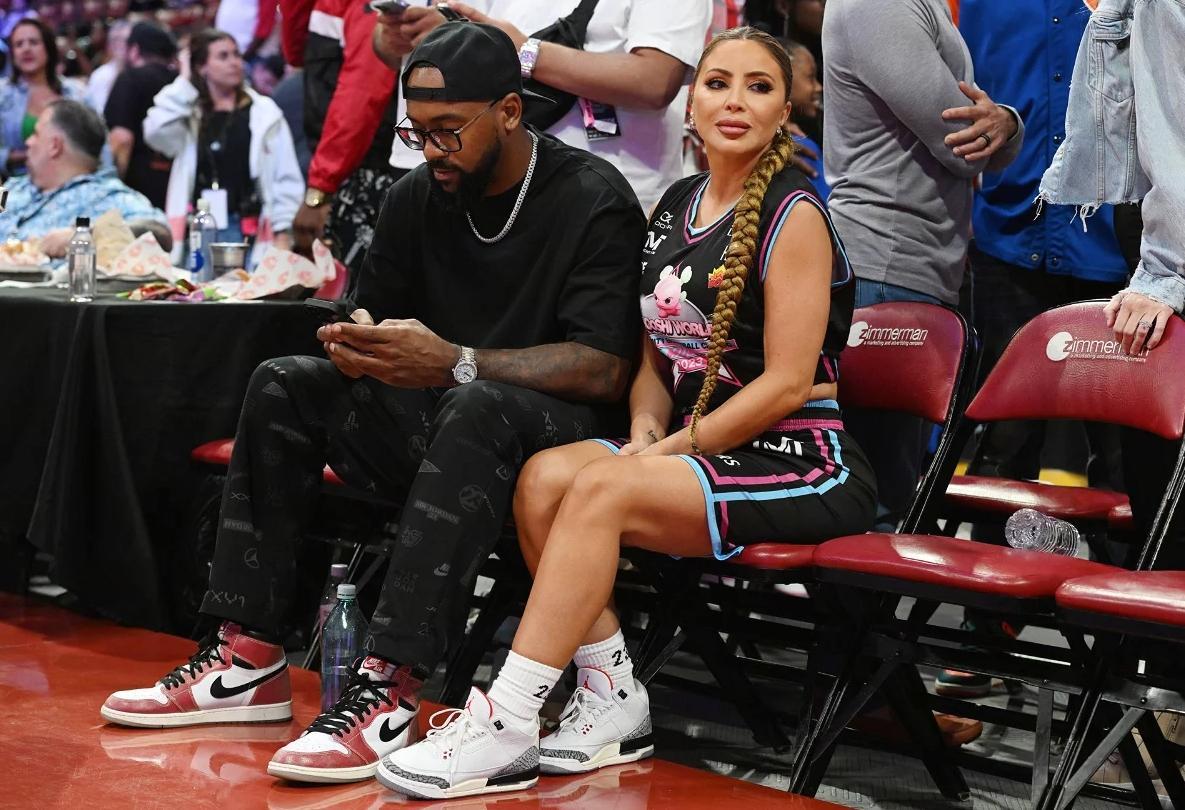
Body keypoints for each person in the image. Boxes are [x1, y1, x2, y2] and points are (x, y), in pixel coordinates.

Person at [100, 21, 645, 788]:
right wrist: (356, 341)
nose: (430, 151)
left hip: (555, 442)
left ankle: (389, 687)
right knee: (285, 382)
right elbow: (376, 317)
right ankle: (248, 657)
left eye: (448, 130)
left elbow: (605, 368)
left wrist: (456, 362)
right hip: (446, 424)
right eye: (415, 132)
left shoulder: (593, 198)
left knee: (476, 405)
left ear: (509, 112)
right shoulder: (415, 195)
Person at [378, 27, 878, 800]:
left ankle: (507, 721)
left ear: (785, 113)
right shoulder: (676, 202)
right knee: (544, 478)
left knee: (600, 490)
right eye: (717, 83)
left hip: (798, 458)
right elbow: (653, 356)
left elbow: (784, 385)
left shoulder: (796, 215)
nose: (734, 102)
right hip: (695, 442)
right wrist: (646, 429)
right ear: (691, 102)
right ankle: (611, 695)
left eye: (758, 87)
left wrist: (669, 449)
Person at [931, 0, 1131, 700]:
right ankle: (985, 631)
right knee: (999, 444)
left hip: (1124, 248)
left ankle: (1126, 656)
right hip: (1009, 237)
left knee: (1125, 463)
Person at [822, 0, 1024, 533]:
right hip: (883, 266)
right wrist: (1007, 125)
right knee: (875, 505)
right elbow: (967, 144)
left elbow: (984, 134)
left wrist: (1006, 121)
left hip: (911, 266)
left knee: (890, 495)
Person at [373, 0, 712, 213]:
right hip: (489, 182)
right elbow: (390, 46)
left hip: (616, 191)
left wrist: (521, 51)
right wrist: (400, 36)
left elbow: (655, 80)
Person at [144, 28, 302, 263]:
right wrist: (185, 81)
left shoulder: (264, 113)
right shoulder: (190, 114)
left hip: (250, 230)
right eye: (223, 56)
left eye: (236, 54)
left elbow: (285, 176)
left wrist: (283, 230)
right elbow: (154, 131)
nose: (234, 62)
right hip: (197, 229)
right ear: (202, 67)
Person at [280, 0, 402, 277]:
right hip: (342, 169)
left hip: (368, 176)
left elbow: (362, 97)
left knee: (358, 295)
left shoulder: (365, 7)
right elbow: (295, 52)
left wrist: (320, 190)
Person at [1, 99, 166, 253]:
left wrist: (84, 235)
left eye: (36, 134)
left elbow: (161, 233)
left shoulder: (107, 197)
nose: (28, 142)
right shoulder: (14, 188)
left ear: (55, 146)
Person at [104, 22, 178, 210]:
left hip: (139, 191)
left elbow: (122, 139)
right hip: (178, 186)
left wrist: (112, 188)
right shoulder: (181, 83)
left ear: (134, 50)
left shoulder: (130, 79)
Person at [0, 18, 85, 177]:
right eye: (19, 44)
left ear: (48, 47)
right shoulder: (2, 94)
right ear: (13, 54)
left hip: (74, 182)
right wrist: (23, 156)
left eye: (33, 42)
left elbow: (98, 145)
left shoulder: (76, 92)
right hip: (17, 183)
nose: (26, 49)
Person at [83, 18, 130, 115]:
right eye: (115, 40)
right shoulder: (100, 75)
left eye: (124, 40)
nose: (120, 45)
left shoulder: (143, 74)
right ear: (109, 45)